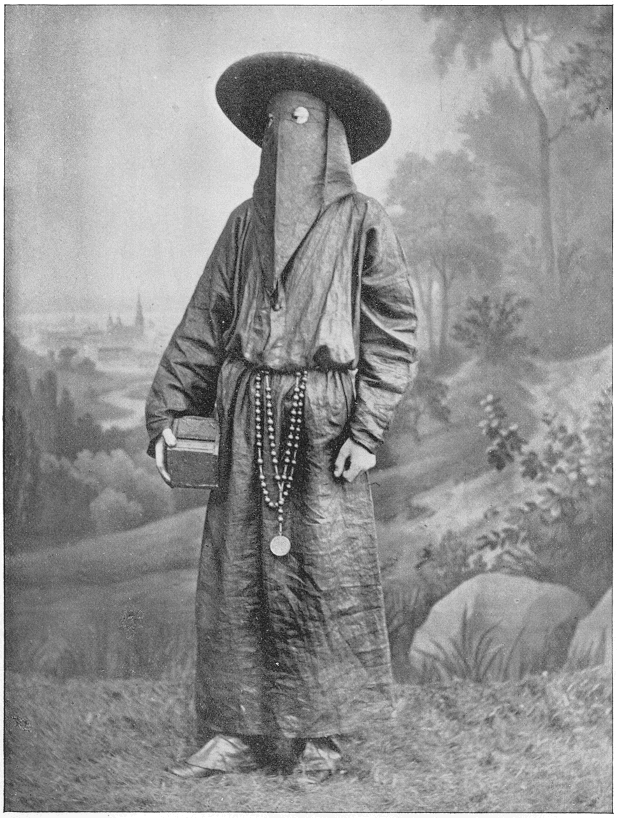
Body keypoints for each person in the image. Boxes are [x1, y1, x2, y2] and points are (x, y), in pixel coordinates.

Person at [146, 52, 418, 781]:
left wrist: (366, 430)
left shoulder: (362, 221)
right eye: (274, 123)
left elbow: (394, 332)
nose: (284, 136)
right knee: (238, 578)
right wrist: (168, 412)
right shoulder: (243, 226)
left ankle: (321, 739)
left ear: (328, 134)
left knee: (324, 575)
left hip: (324, 423)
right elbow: (204, 324)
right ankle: (237, 732)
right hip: (245, 418)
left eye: (299, 119)